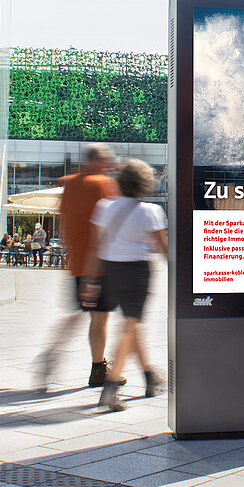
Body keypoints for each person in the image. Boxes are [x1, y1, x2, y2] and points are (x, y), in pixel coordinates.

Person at [32, 145, 120, 390]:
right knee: (100, 318)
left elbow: (62, 224)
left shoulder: (68, 183)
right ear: (96, 161)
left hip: (77, 263)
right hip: (99, 264)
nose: (110, 166)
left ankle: (54, 351)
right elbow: (108, 227)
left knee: (81, 313)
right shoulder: (103, 184)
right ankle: (98, 369)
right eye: (107, 161)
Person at [86, 158, 168, 411]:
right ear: (144, 183)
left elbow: (95, 245)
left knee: (132, 327)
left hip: (108, 271)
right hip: (136, 273)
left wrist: (89, 281)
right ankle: (110, 389)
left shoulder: (104, 206)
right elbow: (163, 248)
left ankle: (149, 376)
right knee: (130, 326)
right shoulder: (151, 212)